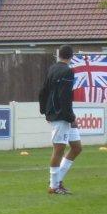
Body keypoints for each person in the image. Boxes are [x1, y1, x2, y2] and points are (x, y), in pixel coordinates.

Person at [38, 44, 80, 195]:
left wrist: (44, 111)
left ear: (59, 55)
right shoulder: (67, 71)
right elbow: (65, 97)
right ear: (71, 56)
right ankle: (54, 186)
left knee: (76, 147)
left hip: (57, 114)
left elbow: (43, 91)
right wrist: (71, 118)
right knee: (59, 149)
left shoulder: (52, 68)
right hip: (62, 116)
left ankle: (56, 181)